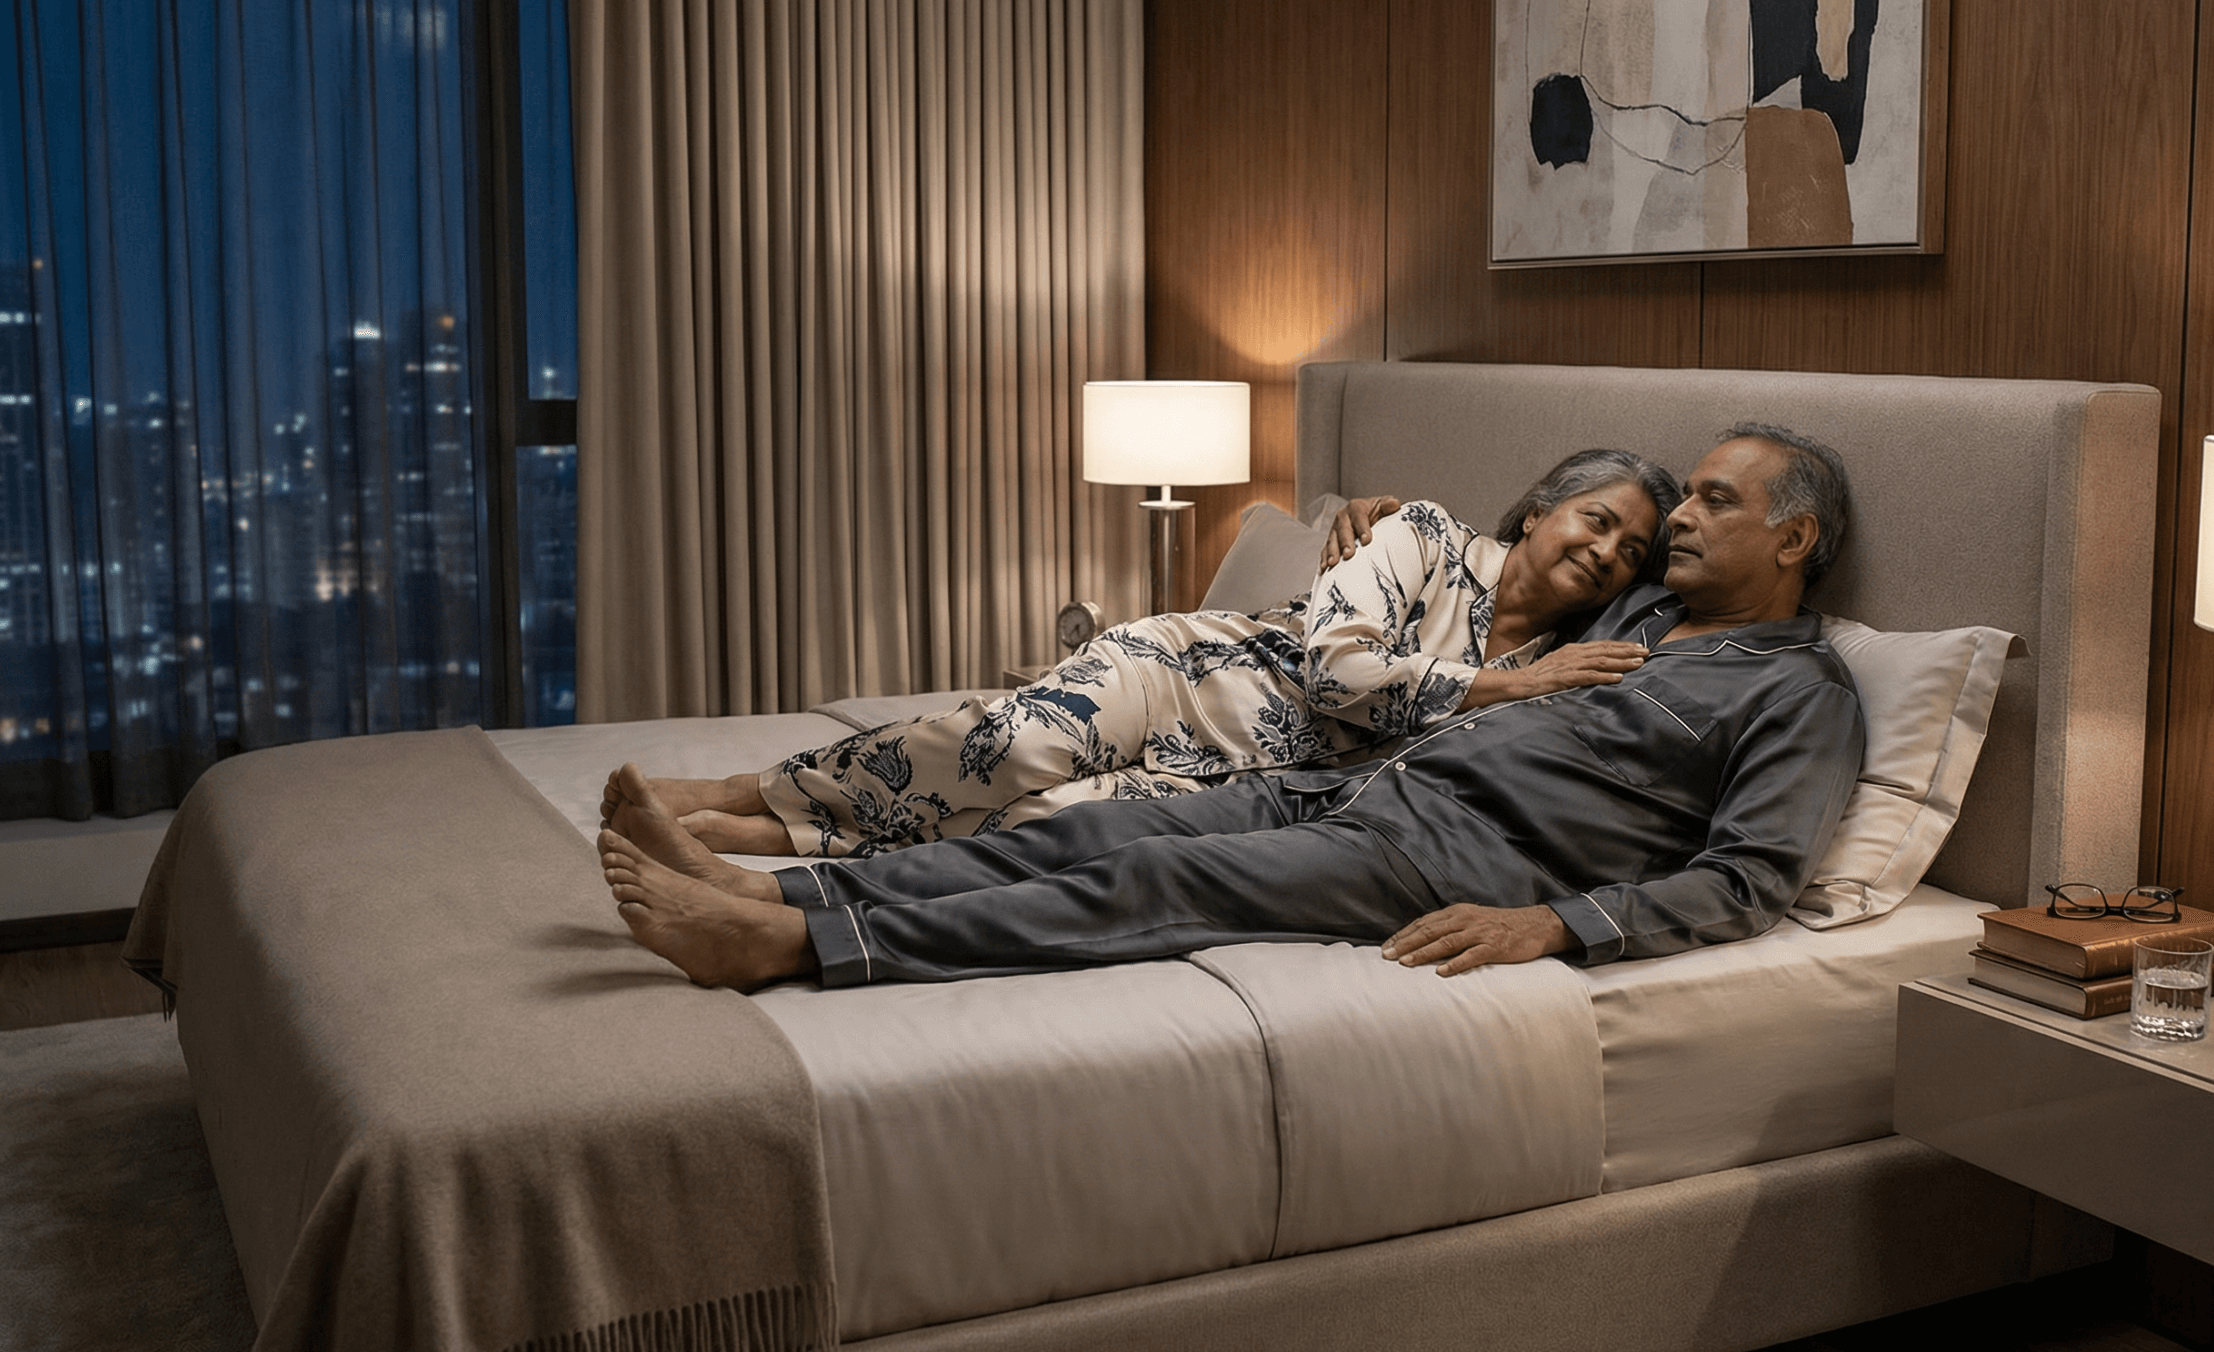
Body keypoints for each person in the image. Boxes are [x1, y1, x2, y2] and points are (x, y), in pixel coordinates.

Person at [599, 424, 1865, 990]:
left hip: (1446, 848)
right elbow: (1489, 580)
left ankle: (797, 947)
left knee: (1149, 877)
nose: (1666, 527)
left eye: (1709, 503)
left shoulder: (1795, 691)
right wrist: (1373, 511)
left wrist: (1555, 924)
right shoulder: (1640, 613)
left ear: (1794, 537)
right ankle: (779, 889)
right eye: (1666, 507)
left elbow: (1750, 877)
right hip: (1327, 773)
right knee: (1081, 824)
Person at [619, 450, 1680, 858]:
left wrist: (1524, 684)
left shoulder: (1560, 662)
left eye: (1630, 550)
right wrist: (1492, 683)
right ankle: (735, 789)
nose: (1604, 551)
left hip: (1238, 777)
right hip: (1183, 677)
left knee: (1043, 824)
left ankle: (763, 838)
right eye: (1595, 519)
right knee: (1007, 748)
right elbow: (1335, 673)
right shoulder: (1421, 532)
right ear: (1538, 509)